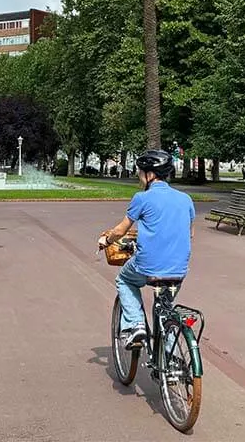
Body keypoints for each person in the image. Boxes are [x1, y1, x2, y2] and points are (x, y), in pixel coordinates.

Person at [97, 149, 195, 349]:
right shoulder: (185, 199)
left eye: (140, 172)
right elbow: (190, 233)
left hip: (147, 266)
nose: (139, 177)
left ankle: (135, 324)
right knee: (165, 310)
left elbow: (121, 230)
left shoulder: (142, 198)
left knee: (124, 280)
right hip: (179, 268)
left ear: (149, 174)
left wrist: (106, 240)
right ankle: (172, 359)